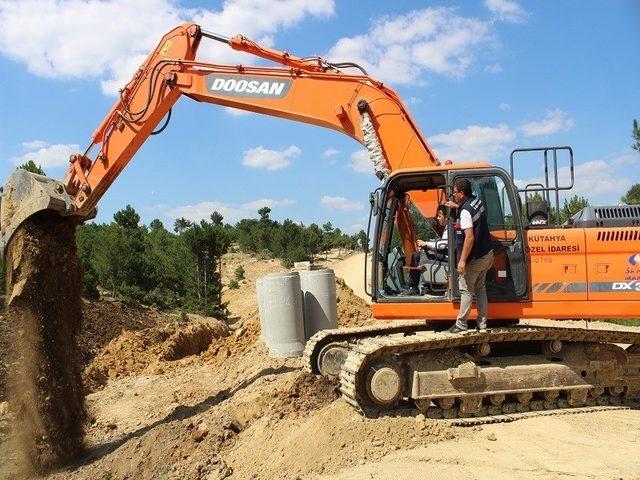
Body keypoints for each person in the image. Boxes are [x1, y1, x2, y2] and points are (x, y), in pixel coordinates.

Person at [444, 178, 494, 333]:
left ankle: (461, 324)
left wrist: (462, 261)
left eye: (454, 192)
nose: (453, 195)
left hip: (475, 258)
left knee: (466, 290)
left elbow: (470, 237)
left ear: (461, 193)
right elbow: (472, 214)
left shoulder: (465, 211)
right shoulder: (476, 201)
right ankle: (482, 325)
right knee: (480, 288)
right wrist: (458, 207)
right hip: (487, 254)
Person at [403, 204, 448, 295]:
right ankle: (414, 286)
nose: (438, 218)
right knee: (419, 253)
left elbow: (443, 244)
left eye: (439, 216)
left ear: (446, 217)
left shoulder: (450, 228)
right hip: (446, 254)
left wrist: (425, 244)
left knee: (416, 256)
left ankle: (413, 287)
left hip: (447, 257)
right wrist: (426, 246)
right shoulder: (448, 227)